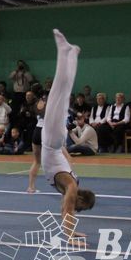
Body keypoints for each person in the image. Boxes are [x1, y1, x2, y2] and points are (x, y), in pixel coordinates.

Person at [36, 30, 96, 234]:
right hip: (52, 141)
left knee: (63, 91)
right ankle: (64, 52)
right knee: (59, 91)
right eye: (82, 207)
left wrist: (71, 230)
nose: (78, 210)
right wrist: (70, 234)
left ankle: (72, 54)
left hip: (54, 141)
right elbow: (68, 208)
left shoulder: (71, 186)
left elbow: (66, 209)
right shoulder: (71, 186)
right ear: (80, 197)